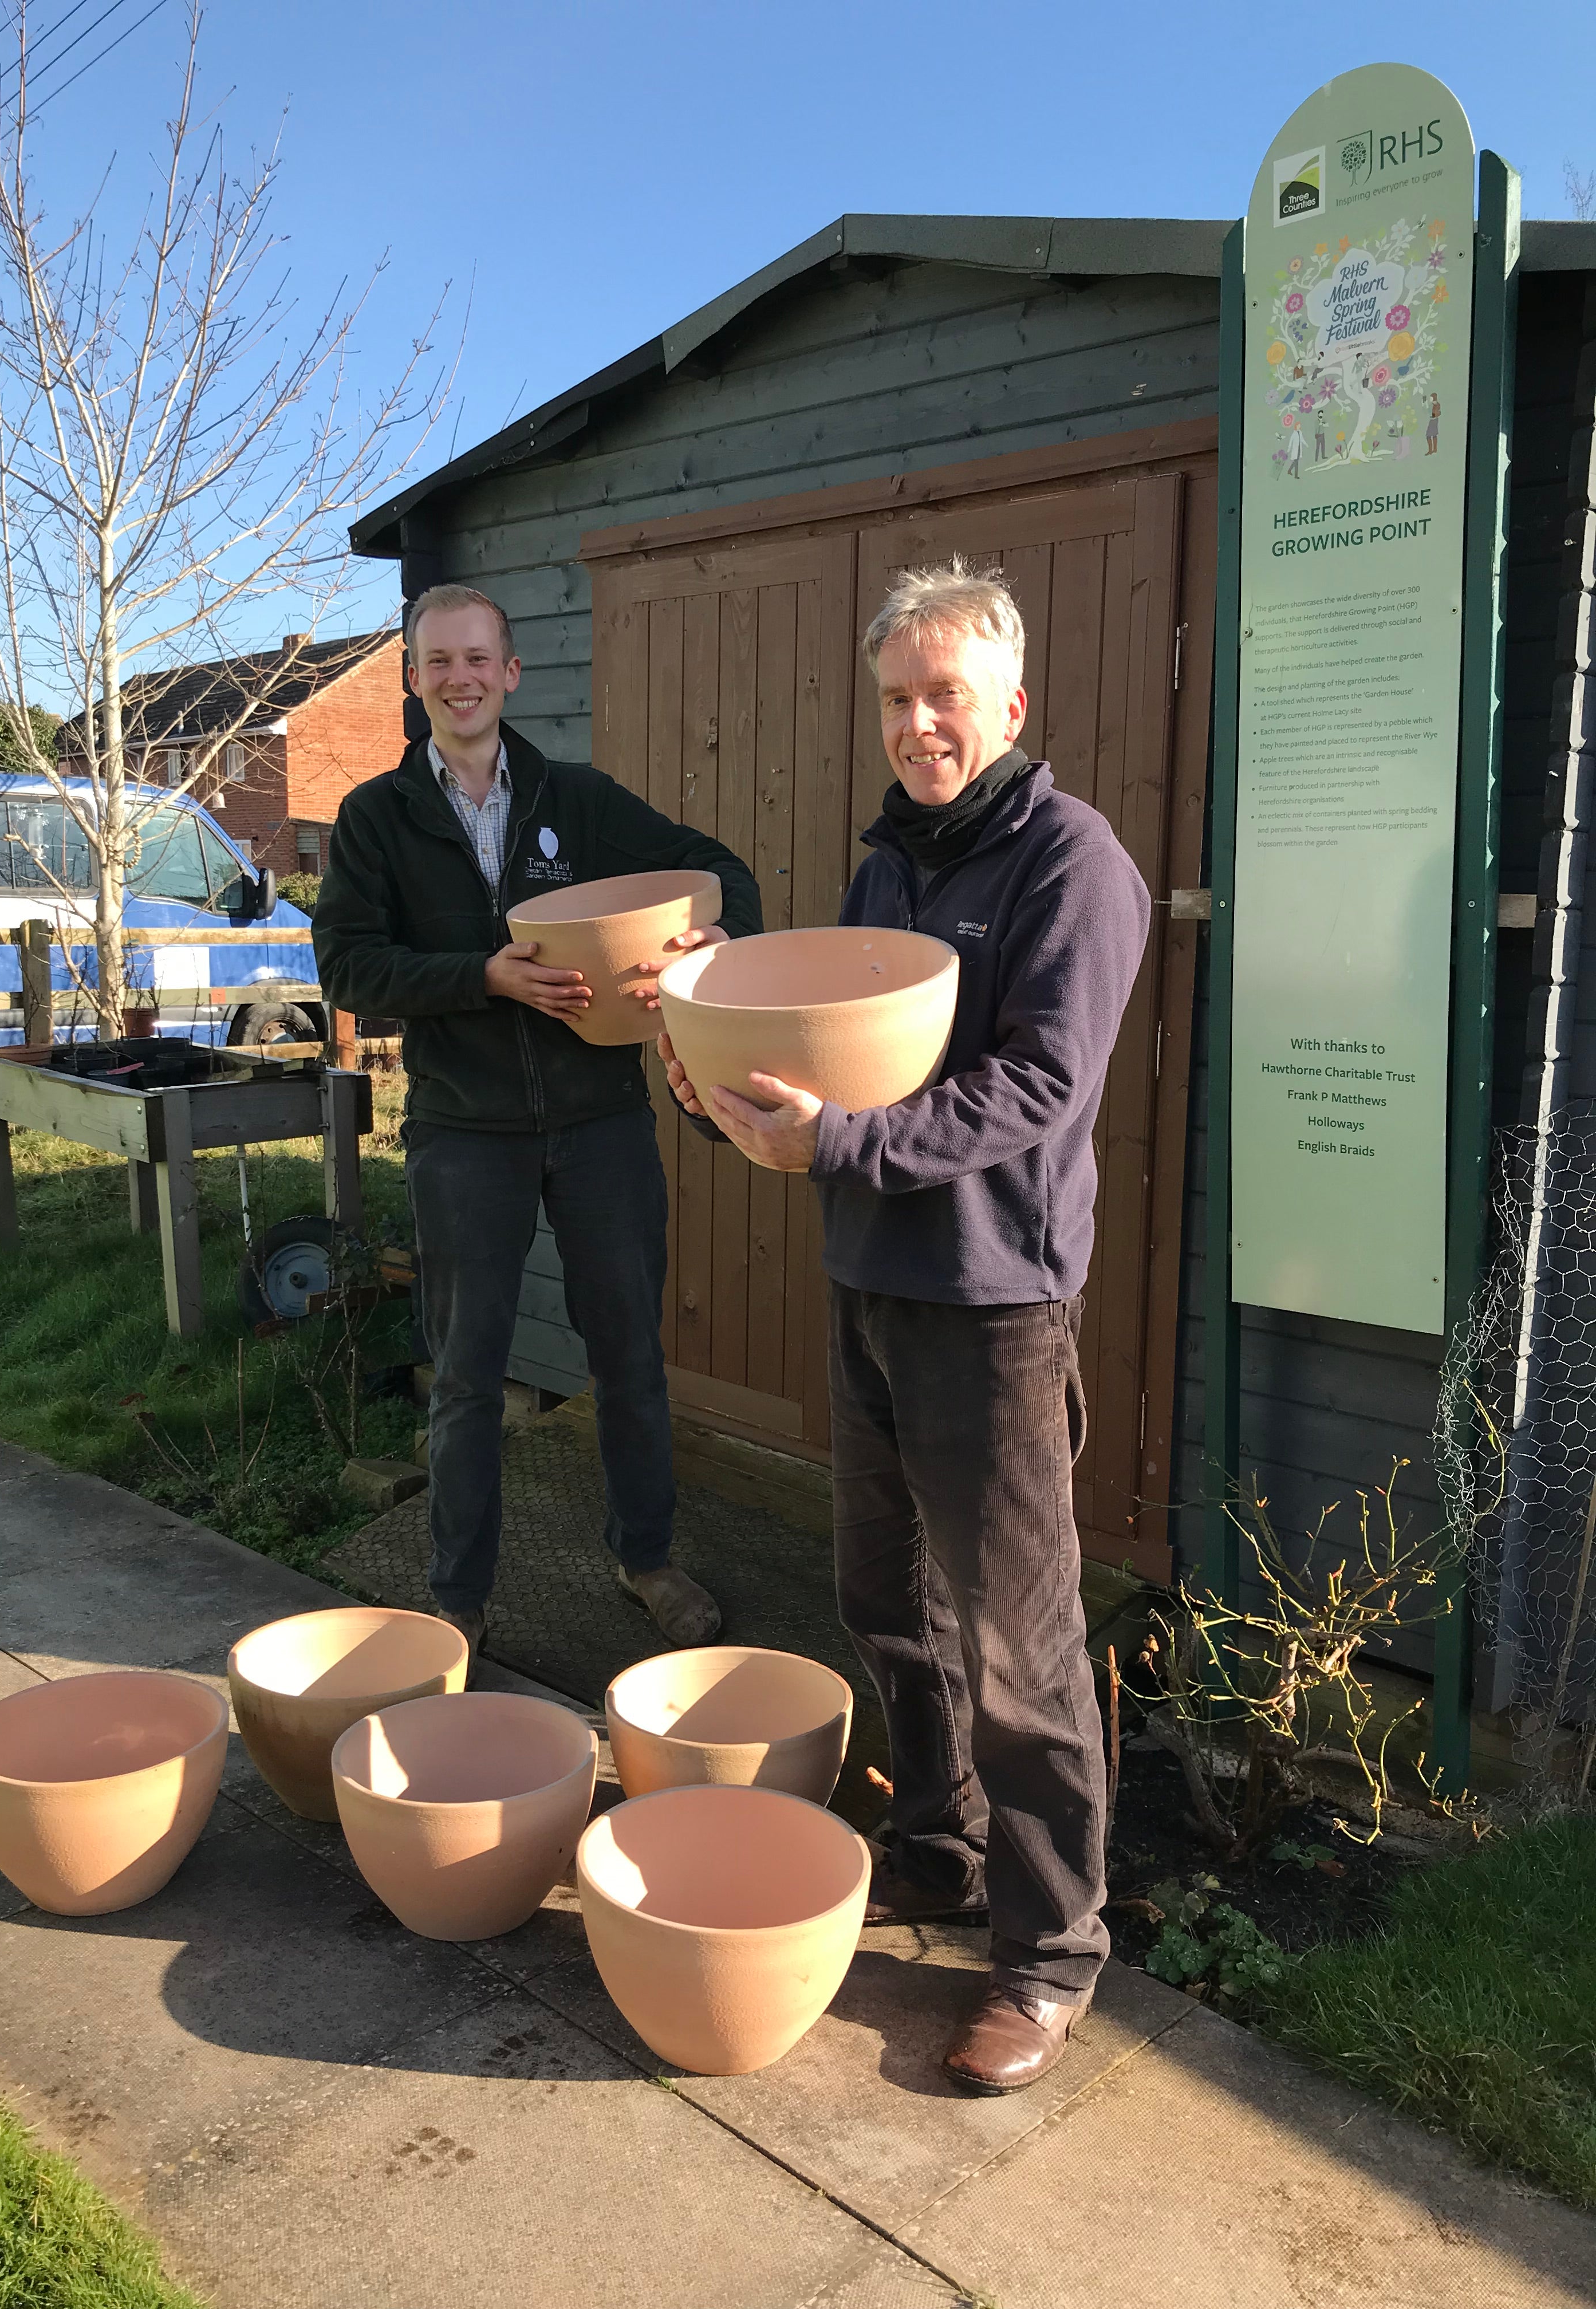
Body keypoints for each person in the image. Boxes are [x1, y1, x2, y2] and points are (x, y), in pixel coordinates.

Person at [661, 562, 1150, 2095]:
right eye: (896, 699)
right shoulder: (890, 868)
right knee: (887, 1599)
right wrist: (728, 1094)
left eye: (946, 695)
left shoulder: (1075, 865)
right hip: (870, 1281)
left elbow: (1037, 1090)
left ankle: (1051, 1953)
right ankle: (936, 1844)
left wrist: (837, 1149)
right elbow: (840, 1069)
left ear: (1011, 704)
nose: (920, 723)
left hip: (995, 1307)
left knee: (1023, 1640)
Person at [314, 583, 762, 1669]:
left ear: (512, 674)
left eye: (478, 659)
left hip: (601, 1119)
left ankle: (645, 1558)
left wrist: (701, 952)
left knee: (630, 1357)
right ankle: (458, 1599)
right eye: (437, 663)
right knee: (466, 1372)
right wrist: (484, 978)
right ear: (416, 681)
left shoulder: (581, 799)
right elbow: (347, 964)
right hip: (465, 1134)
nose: (458, 678)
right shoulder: (379, 817)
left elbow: (727, 881)